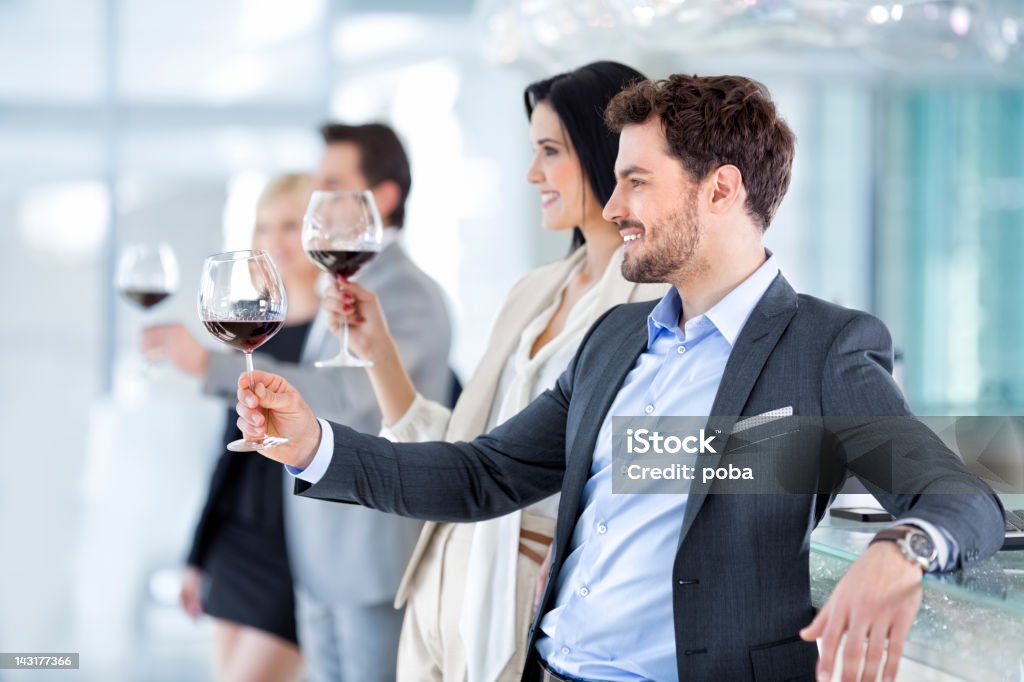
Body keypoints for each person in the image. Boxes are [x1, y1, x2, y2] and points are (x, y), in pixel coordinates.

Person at [232, 75, 1006, 682]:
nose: (611, 205)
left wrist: (901, 548)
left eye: (637, 181)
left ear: (723, 190)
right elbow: (483, 473)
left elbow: (958, 498)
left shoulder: (824, 347)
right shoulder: (612, 340)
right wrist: (315, 448)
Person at [319, 61, 665, 682]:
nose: (534, 174)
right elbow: (474, 459)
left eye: (550, 151)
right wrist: (380, 355)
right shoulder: (533, 293)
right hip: (454, 584)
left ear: (606, 149)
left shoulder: (659, 304)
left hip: (544, 601)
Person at [148, 123, 454, 682]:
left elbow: (351, 400)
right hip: (318, 560)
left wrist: (210, 366)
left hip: (371, 557)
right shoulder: (337, 287)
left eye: (331, 186)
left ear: (379, 199)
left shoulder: (405, 291)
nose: (316, 201)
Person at [145, 173, 316, 682]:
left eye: (290, 226)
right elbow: (228, 456)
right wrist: (197, 556)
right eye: (265, 227)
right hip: (236, 542)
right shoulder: (254, 327)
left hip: (295, 549)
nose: (275, 241)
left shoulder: (342, 331)